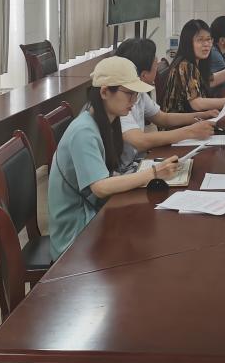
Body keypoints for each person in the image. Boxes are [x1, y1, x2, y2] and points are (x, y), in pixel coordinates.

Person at [48, 56, 180, 260]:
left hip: (95, 213)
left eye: (136, 94)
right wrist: (153, 173)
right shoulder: (84, 131)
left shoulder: (107, 120)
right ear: (104, 92)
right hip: (76, 232)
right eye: (129, 94)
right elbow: (100, 187)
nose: (134, 101)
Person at [114, 38, 220, 172]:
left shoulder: (138, 93)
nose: (158, 67)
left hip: (140, 162)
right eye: (155, 65)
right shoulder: (119, 99)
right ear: (144, 74)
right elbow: (140, 141)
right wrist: (190, 131)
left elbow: (163, 118)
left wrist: (202, 115)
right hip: (126, 170)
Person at [161, 19, 225, 114]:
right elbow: (197, 103)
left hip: (194, 116)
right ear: (188, 43)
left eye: (208, 39)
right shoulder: (185, 64)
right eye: (200, 40)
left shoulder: (199, 61)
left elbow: (210, 80)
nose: (206, 44)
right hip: (181, 120)